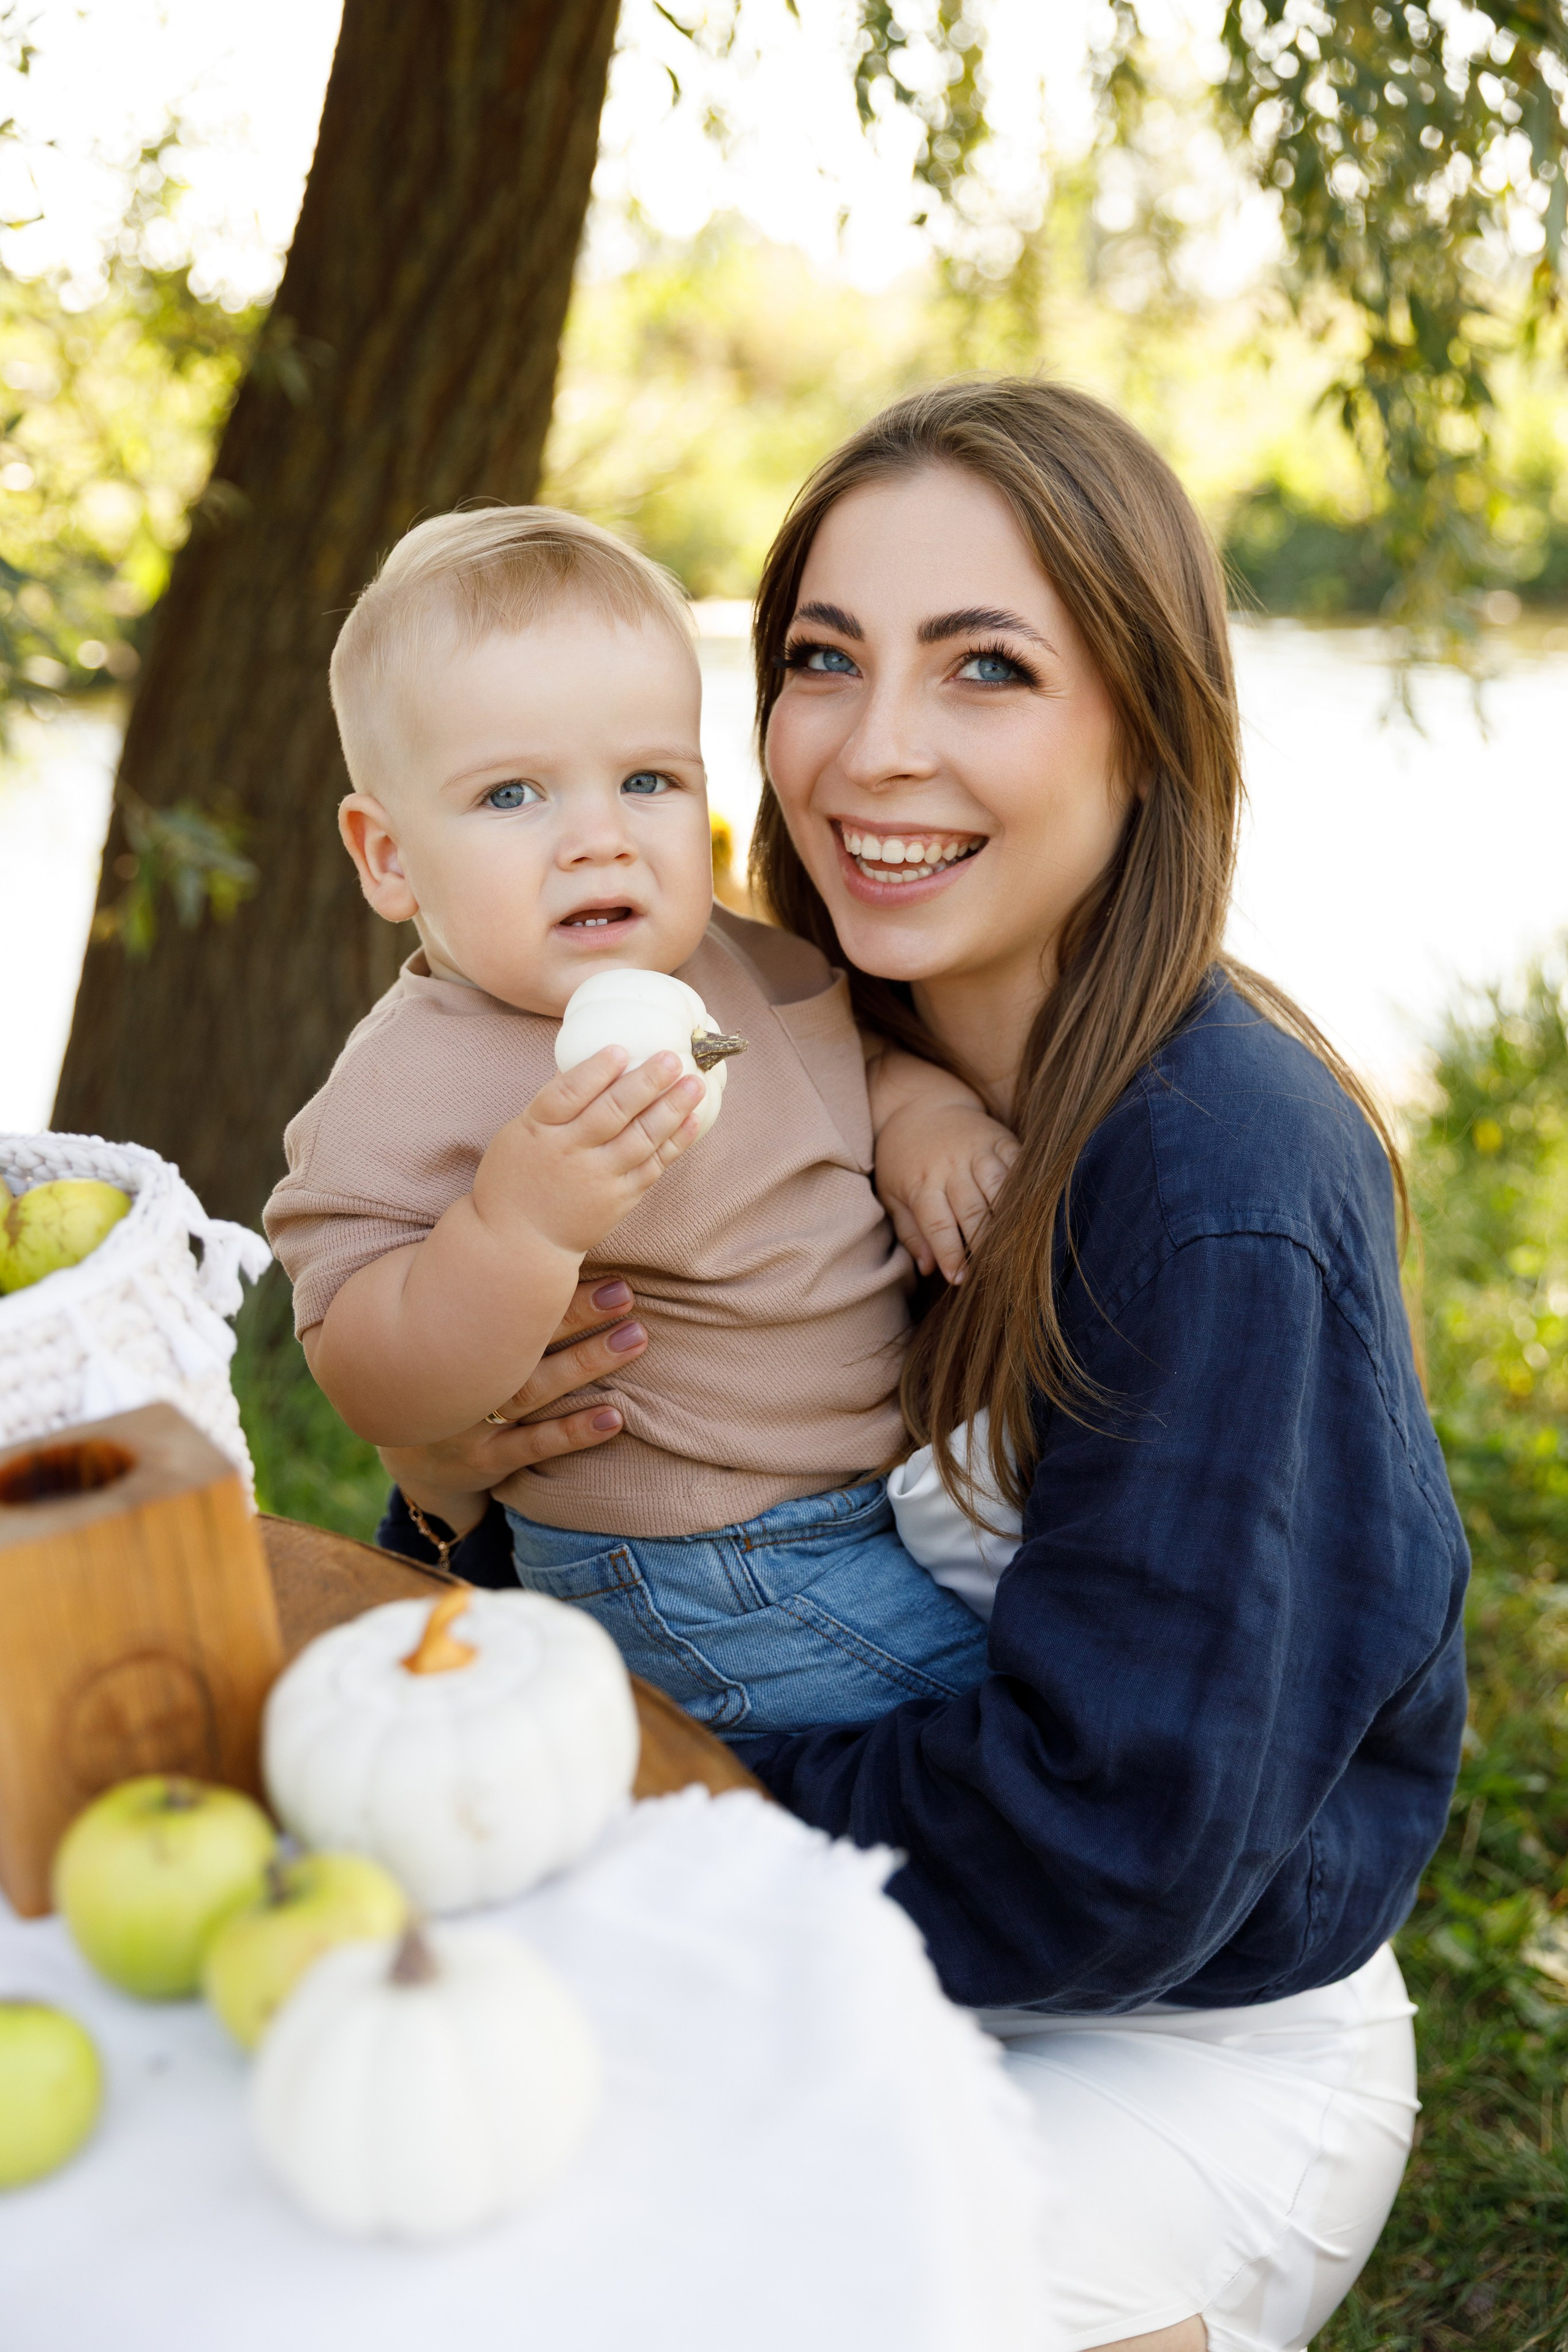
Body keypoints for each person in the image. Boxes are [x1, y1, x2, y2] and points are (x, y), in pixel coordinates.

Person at [380, 380, 1468, 2351]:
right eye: (822, 660)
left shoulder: (1218, 1180)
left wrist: (618, 1823)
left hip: (1166, 2033)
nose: (876, 750)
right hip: (825, 1930)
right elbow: (597, 1512)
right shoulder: (716, 1060)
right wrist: (466, 1479)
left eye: (987, 668)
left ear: (1143, 724)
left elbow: (1118, 1849)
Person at [263, 504, 1011, 1735]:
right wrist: (516, 1225)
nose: (597, 838)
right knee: (988, 1720)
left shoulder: (736, 965)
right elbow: (367, 1372)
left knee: (1031, 1647)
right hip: (691, 1559)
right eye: (512, 794)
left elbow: (851, 1064)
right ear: (387, 857)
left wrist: (925, 1119)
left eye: (647, 780)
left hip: (866, 1493)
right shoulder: (416, 1077)